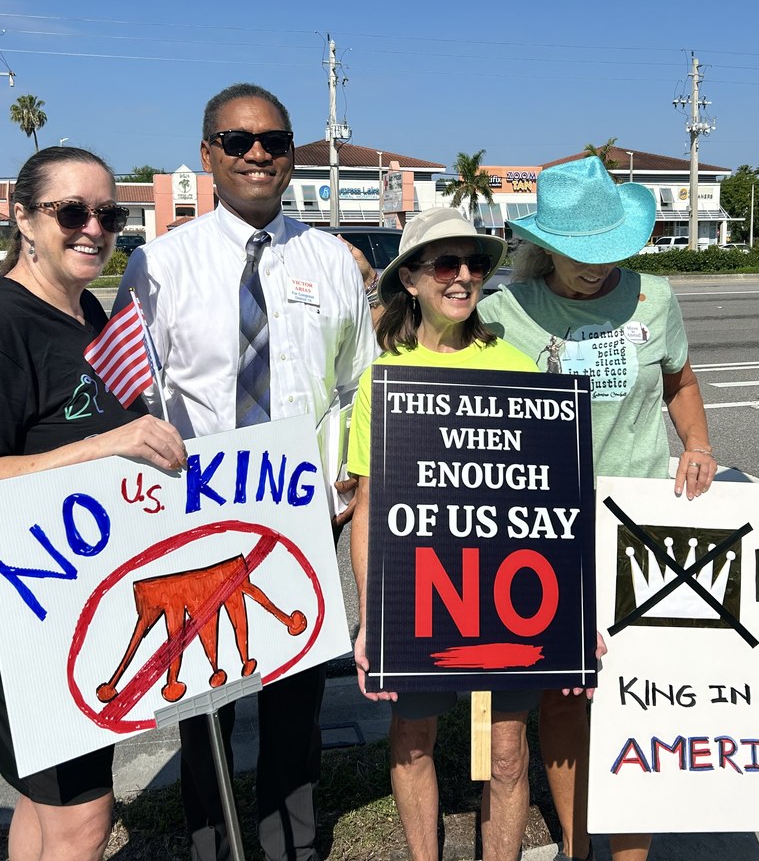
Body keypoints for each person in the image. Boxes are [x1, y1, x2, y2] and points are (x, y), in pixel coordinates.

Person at [117, 83, 377, 861]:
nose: (257, 152)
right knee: (204, 700)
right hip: (196, 516)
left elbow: (358, 384)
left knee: (296, 694)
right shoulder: (157, 264)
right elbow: (136, 395)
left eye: (274, 139)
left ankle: (290, 841)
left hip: (303, 515)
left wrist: (349, 480)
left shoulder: (332, 261)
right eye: (238, 140)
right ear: (208, 155)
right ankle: (213, 841)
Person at [479, 156, 718, 861]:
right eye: (579, 254)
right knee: (563, 697)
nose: (595, 266)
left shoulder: (656, 297)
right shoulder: (503, 311)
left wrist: (698, 442)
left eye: (609, 250)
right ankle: (579, 842)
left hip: (642, 521)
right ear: (545, 246)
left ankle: (631, 853)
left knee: (637, 691)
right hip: (546, 533)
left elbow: (680, 379)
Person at [0, 146, 185, 861]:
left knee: (45, 809)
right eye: (70, 211)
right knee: (83, 819)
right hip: (25, 615)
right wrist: (103, 448)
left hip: (71, 603)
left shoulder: (86, 316)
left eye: (108, 213)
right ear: (22, 217)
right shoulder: (9, 323)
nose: (93, 228)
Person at [348, 208, 543, 861]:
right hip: (420, 591)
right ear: (409, 279)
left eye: (475, 264)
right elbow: (370, 506)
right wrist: (373, 615)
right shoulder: (384, 378)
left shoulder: (518, 368)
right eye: (444, 264)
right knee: (412, 738)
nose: (463, 277)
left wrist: (568, 613)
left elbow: (549, 505)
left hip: (506, 594)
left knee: (507, 752)